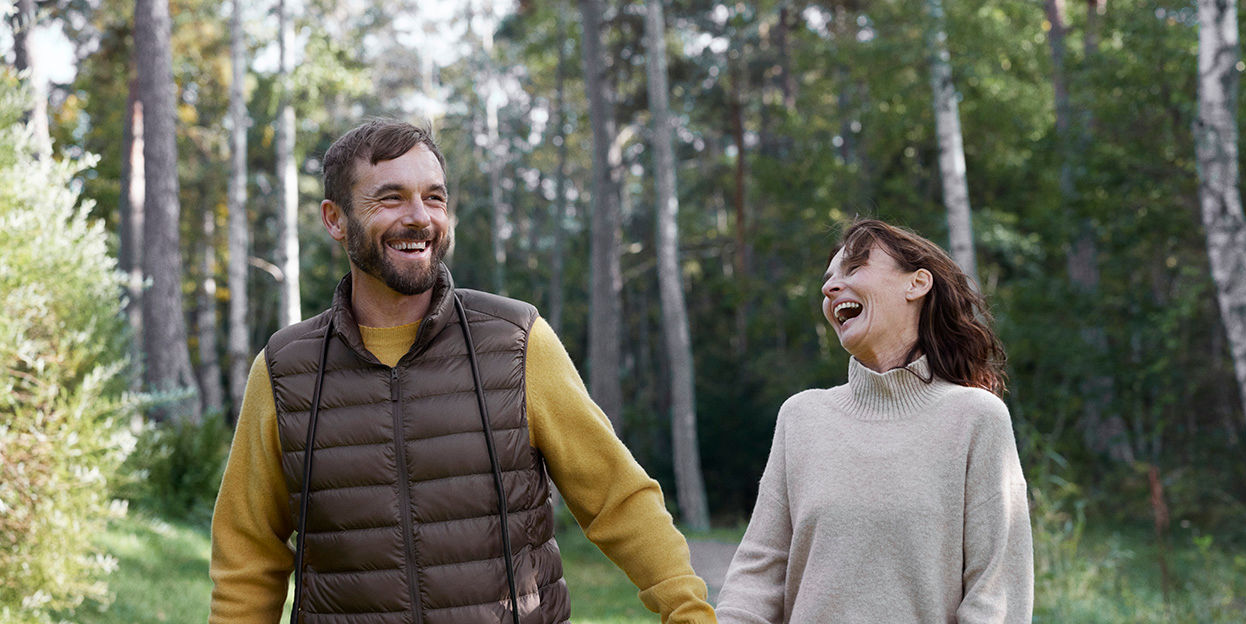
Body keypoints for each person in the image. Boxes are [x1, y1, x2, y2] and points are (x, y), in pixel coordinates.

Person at [209, 119, 717, 624]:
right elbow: (248, 559)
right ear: (335, 219)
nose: (420, 218)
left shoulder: (517, 342)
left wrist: (691, 613)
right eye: (391, 198)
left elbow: (618, 499)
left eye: (434, 197)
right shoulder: (284, 371)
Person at [715, 219, 1033, 623]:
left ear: (916, 284)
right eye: (827, 280)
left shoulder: (976, 418)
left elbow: (996, 595)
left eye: (853, 268)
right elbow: (758, 576)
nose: (830, 288)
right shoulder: (801, 418)